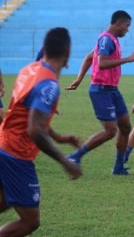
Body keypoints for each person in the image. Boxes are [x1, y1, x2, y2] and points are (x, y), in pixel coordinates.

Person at [0, 27, 82, 236]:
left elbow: (31, 117)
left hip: (3, 144)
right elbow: (35, 129)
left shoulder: (28, 70)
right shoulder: (49, 86)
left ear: (44, 50)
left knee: (6, 200)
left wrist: (60, 138)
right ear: (68, 54)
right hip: (16, 155)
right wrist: (65, 161)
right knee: (30, 221)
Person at [66, 10, 134, 175]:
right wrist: (128, 59)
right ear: (118, 23)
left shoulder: (110, 40)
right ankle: (75, 156)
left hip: (112, 90)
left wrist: (79, 79)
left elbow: (89, 58)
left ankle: (118, 167)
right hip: (101, 90)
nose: (127, 30)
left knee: (125, 126)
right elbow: (101, 63)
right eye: (127, 26)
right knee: (110, 131)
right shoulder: (106, 39)